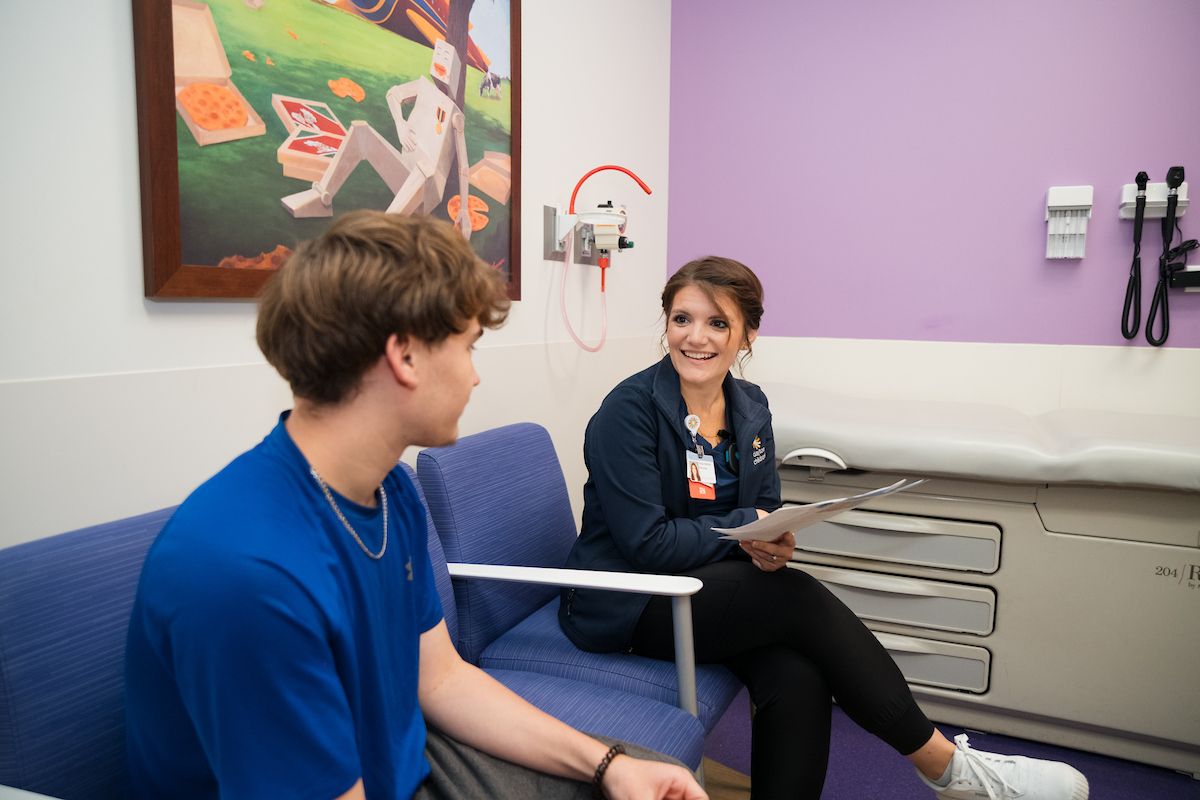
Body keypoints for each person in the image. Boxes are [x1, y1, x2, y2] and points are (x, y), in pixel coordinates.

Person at [124, 210, 707, 800]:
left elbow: (441, 678)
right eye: (468, 347)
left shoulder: (388, 490)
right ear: (405, 357)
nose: (475, 378)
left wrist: (608, 763)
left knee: (645, 775)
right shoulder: (249, 575)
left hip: (406, 763)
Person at [557, 256, 1090, 800]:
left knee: (797, 673)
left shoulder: (749, 408)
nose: (696, 338)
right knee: (795, 600)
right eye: (682, 319)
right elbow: (648, 543)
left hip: (704, 587)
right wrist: (748, 527)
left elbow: (764, 505)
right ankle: (944, 765)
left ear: (748, 334)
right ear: (666, 323)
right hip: (627, 598)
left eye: (718, 323)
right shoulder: (629, 412)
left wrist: (771, 543)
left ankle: (946, 772)